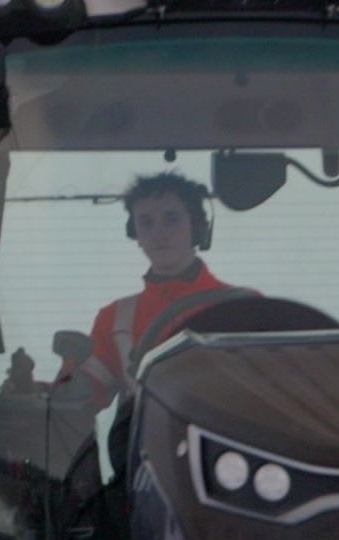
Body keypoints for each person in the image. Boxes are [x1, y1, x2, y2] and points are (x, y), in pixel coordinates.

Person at [67, 170, 228, 408]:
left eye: (171, 219)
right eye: (146, 222)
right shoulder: (114, 320)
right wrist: (43, 386)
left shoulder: (245, 307)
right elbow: (78, 396)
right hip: (148, 432)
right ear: (136, 234)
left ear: (196, 226)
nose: (158, 233)